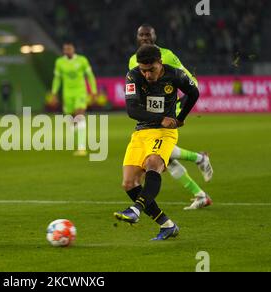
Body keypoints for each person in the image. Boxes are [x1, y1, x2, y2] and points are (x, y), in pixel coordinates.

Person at [114, 45, 199, 240]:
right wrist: (161, 117)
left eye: (151, 69)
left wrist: (180, 118)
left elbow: (194, 93)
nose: (147, 74)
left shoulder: (175, 75)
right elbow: (132, 110)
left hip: (164, 133)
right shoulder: (133, 76)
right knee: (129, 184)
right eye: (143, 70)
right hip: (141, 133)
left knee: (153, 163)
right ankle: (167, 225)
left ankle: (135, 210)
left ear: (160, 62)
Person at [128, 24, 213, 210]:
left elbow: (188, 81)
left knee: (159, 158)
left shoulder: (166, 56)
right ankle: (199, 188)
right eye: (141, 35)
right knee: (164, 160)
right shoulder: (133, 60)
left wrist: (177, 108)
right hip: (150, 114)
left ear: (155, 36)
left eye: (148, 35)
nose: (144, 38)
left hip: (167, 109)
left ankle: (199, 167)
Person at [51, 42, 97, 156]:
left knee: (79, 116)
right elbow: (57, 79)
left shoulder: (82, 60)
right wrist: (54, 93)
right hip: (67, 94)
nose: (67, 51)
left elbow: (90, 76)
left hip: (80, 92)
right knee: (71, 120)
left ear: (73, 49)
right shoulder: (59, 62)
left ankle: (81, 148)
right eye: (65, 49)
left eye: (69, 48)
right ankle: (77, 141)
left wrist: (93, 91)